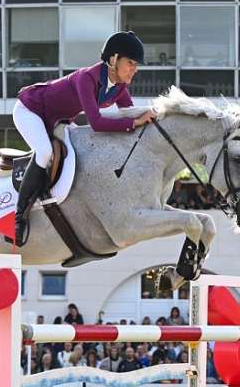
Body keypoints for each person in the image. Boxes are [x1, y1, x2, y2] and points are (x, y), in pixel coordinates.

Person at [11, 31, 157, 246]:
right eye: (131, 63)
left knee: (81, 152)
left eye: (136, 65)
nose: (134, 69)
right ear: (113, 59)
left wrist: (159, 115)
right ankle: (19, 217)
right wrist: (135, 123)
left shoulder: (119, 88)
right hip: (31, 110)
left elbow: (130, 114)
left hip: (58, 119)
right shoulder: (86, 78)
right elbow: (97, 123)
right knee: (44, 152)